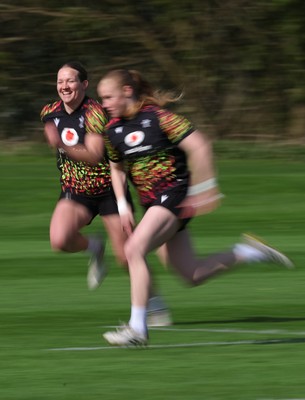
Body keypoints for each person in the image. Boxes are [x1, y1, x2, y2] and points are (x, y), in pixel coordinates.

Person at [96, 69, 294, 346]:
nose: (103, 104)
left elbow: (200, 146)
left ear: (127, 91)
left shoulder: (159, 118)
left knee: (133, 249)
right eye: (101, 98)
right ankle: (248, 252)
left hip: (173, 196)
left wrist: (204, 189)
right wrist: (122, 204)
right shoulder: (112, 129)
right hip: (153, 204)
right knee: (192, 275)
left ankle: (137, 328)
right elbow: (116, 168)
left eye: (107, 97)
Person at [40, 61, 171, 326]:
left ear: (84, 85)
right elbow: (53, 129)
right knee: (59, 239)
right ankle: (94, 246)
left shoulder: (95, 113)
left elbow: (94, 154)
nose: (64, 86)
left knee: (126, 256)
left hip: (110, 190)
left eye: (71, 81)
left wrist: (62, 146)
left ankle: (155, 303)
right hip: (75, 190)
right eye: (60, 81)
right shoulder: (49, 112)